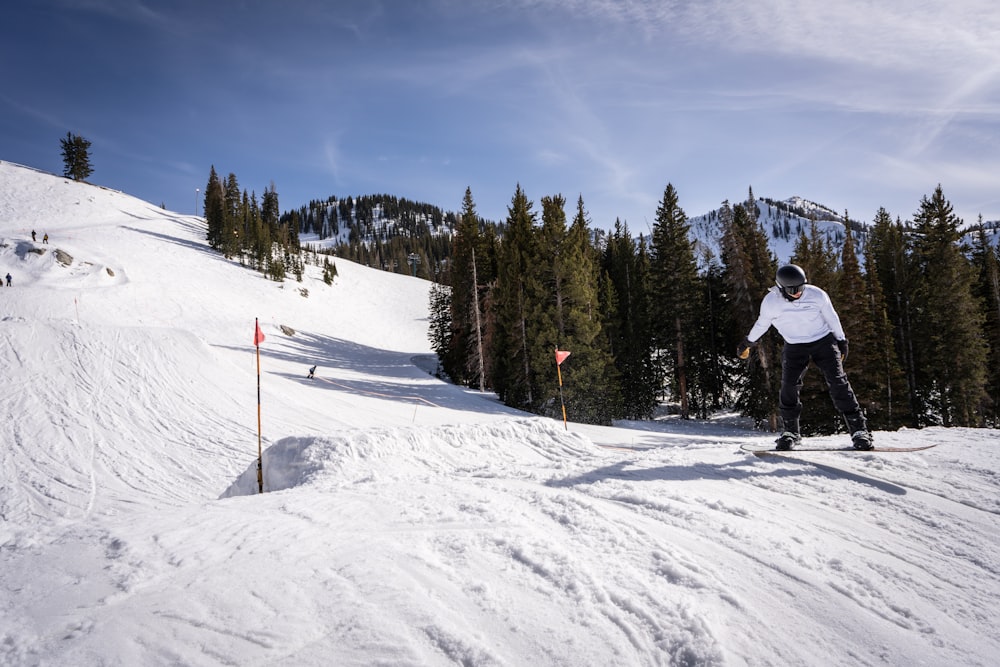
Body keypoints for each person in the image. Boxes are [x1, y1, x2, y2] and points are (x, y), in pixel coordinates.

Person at [737, 263, 871, 450]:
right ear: (781, 288)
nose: (798, 293)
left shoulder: (817, 295)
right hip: (794, 345)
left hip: (823, 342)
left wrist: (842, 341)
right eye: (792, 290)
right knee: (789, 386)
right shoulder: (771, 302)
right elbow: (762, 324)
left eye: (801, 288)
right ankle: (791, 432)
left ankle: (859, 431)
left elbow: (832, 317)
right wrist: (748, 343)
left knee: (838, 382)